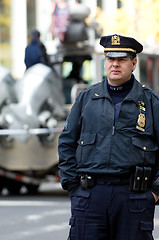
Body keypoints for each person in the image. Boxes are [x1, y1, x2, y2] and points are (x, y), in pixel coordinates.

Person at [58, 34, 159, 240]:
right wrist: (73, 187)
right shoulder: (87, 99)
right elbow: (67, 143)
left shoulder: (151, 102)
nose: (115, 65)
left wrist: (155, 192)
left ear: (133, 63)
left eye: (121, 60)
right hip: (90, 197)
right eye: (110, 59)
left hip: (134, 199)